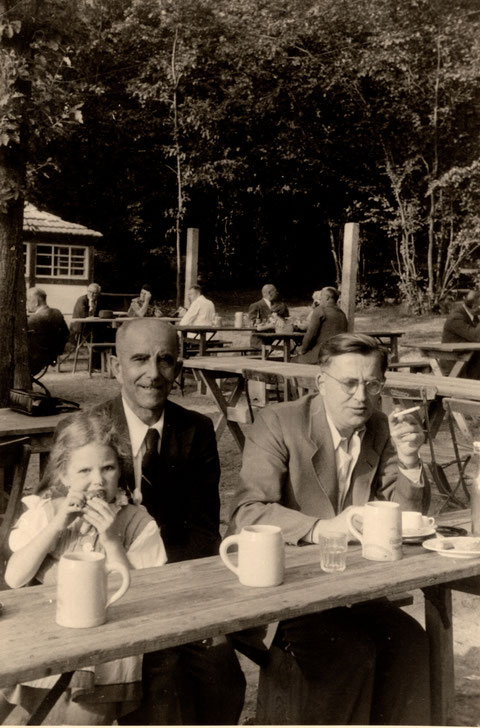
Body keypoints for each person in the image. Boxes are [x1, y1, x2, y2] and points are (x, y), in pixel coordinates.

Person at [229, 333, 431, 725]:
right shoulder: (279, 422)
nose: (361, 397)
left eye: (372, 385)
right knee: (351, 654)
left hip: (352, 589)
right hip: (286, 592)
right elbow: (246, 512)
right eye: (349, 383)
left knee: (411, 642)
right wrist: (322, 528)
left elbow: (405, 523)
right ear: (321, 382)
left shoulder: (380, 428)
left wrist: (408, 461)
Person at [93, 318, 245, 725]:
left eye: (165, 361)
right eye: (139, 359)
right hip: (109, 592)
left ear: (178, 369)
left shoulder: (195, 430)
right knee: (162, 682)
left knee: (222, 676)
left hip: (178, 586)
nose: (153, 373)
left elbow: (202, 530)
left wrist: (174, 604)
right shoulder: (90, 432)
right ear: (115, 366)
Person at [0, 410, 167, 725]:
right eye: (84, 471)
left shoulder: (136, 523)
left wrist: (112, 540)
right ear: (64, 476)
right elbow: (14, 577)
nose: (97, 481)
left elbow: (142, 591)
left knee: (83, 716)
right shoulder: (45, 513)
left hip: (109, 640)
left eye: (108, 468)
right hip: (46, 632)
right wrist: (55, 525)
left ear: (120, 471)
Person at [296, 286, 348, 363]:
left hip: (321, 354)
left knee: (292, 361)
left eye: (321, 296)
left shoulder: (320, 310)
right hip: (337, 354)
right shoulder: (342, 314)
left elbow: (311, 335)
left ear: (327, 298)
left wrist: (302, 349)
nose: (319, 299)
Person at [26, 287, 69, 376]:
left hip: (34, 361)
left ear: (36, 302)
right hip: (50, 357)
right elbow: (66, 334)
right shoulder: (57, 313)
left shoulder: (33, 320)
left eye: (28, 300)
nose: (26, 304)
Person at [442, 290, 480, 377]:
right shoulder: (456, 318)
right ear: (475, 307)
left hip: (470, 359)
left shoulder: (472, 315)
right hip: (456, 363)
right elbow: (477, 337)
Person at [248, 284, 289, 349]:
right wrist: (269, 324)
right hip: (261, 341)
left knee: (289, 347)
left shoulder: (280, 306)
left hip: (277, 340)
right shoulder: (256, 306)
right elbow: (253, 324)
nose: (277, 293)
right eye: (275, 291)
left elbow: (286, 320)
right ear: (270, 293)